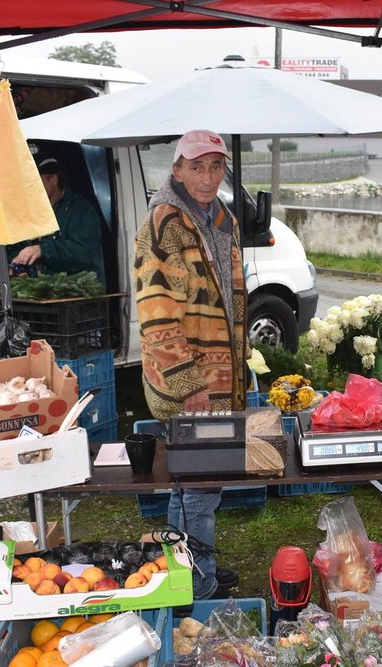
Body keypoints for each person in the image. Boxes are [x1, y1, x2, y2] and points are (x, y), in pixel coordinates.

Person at [133, 130, 246, 600]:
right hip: (191, 381)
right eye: (196, 167)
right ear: (176, 170)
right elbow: (156, 311)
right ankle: (195, 584)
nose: (207, 177)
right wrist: (187, 383)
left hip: (221, 377)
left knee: (200, 481)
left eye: (215, 167)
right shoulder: (163, 225)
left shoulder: (221, 217)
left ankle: (195, 567)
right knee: (196, 485)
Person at [9, 157, 105, 281]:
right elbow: (18, 243)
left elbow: (81, 252)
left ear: (53, 179)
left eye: (34, 182)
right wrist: (16, 264)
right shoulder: (31, 210)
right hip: (42, 292)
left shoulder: (81, 210)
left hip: (77, 293)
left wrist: (43, 250)